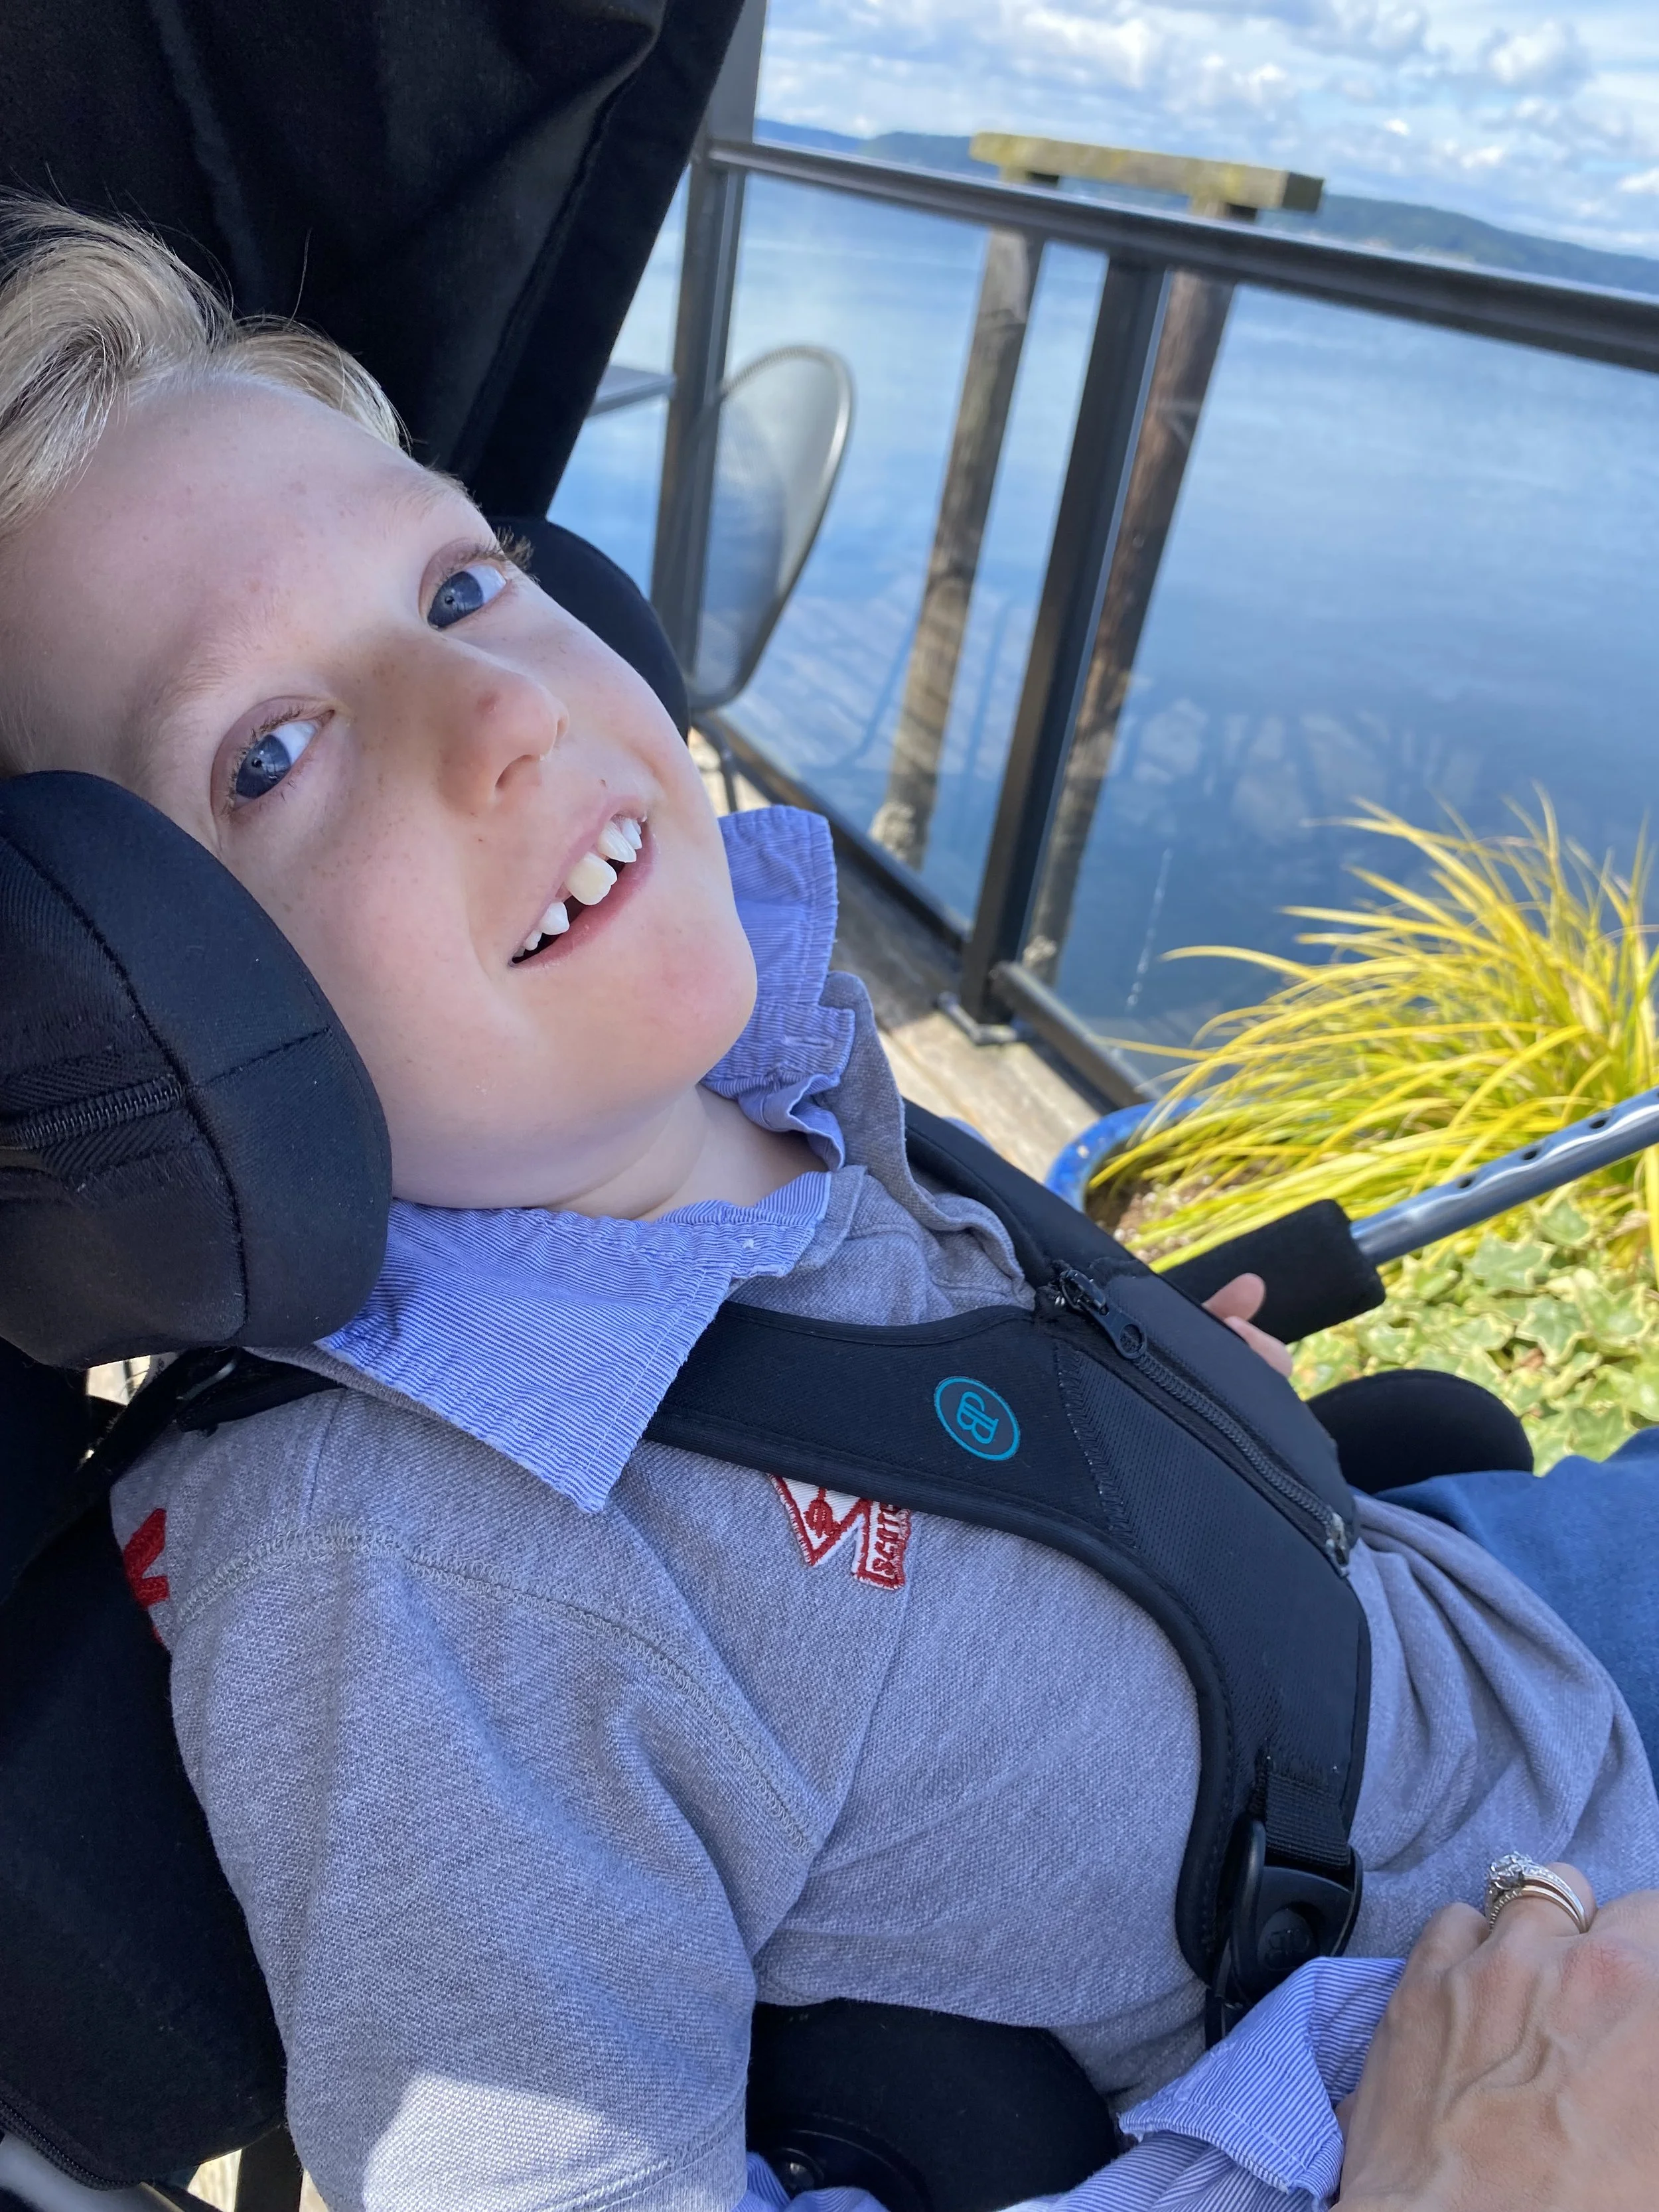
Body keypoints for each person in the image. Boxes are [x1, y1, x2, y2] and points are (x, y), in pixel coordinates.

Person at [3, 196, 1659, 2212]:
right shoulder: (419, 1579)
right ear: (116, 1018)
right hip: (1491, 2003)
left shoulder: (719, 1073)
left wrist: (1126, 1443)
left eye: (456, 589)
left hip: (1446, 1643)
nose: (514, 709)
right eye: (270, 752)